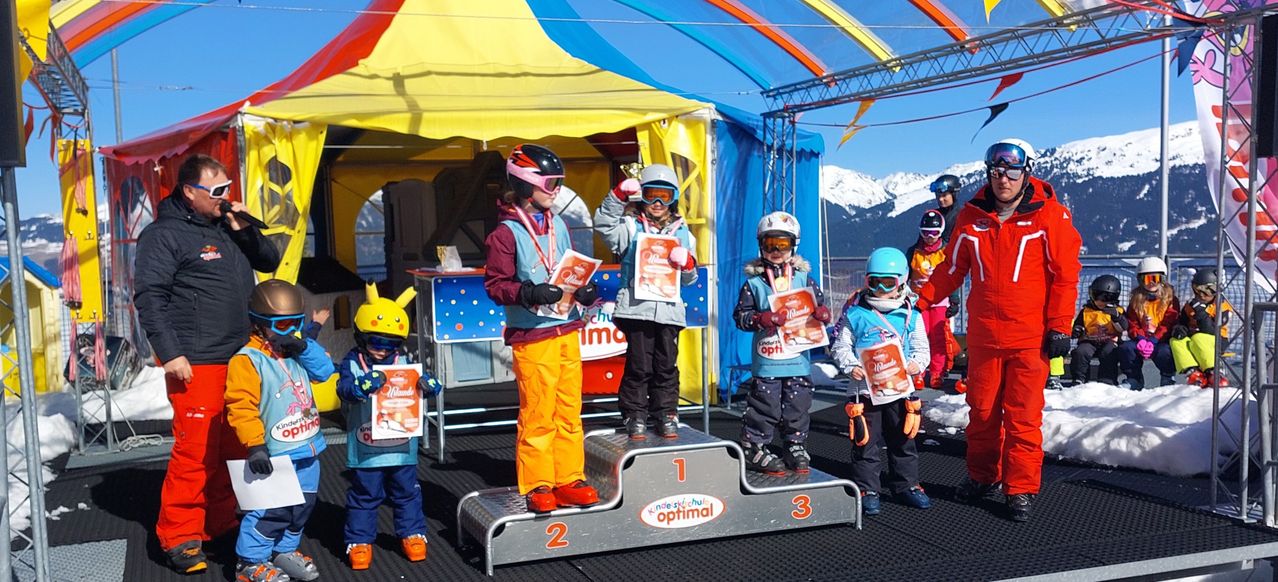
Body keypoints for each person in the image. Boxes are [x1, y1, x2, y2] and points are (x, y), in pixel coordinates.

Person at [916, 138, 1082, 522]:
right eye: (996, 172)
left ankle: (1020, 488)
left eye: (1011, 172)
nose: (1003, 179)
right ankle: (982, 476)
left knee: (1023, 417)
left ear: (1026, 173)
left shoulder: (1050, 217)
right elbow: (952, 269)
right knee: (982, 413)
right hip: (985, 337)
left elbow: (1066, 276)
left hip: (1029, 338)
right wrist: (920, 301)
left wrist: (1059, 326)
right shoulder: (972, 219)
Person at [133, 153, 281, 573]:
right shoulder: (163, 235)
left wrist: (242, 224)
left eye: (227, 188)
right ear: (189, 191)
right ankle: (180, 535)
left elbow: (268, 261)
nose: (224, 197)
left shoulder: (227, 227)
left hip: (241, 358)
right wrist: (170, 352)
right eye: (216, 191)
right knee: (196, 451)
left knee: (236, 446)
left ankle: (221, 522)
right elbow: (149, 296)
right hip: (197, 361)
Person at [483, 144, 601, 513]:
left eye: (559, 183)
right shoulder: (505, 233)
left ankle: (569, 476)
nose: (556, 190)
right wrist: (528, 291)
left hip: (566, 329)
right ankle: (537, 482)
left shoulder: (558, 224)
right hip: (533, 336)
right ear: (523, 184)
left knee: (569, 409)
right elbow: (495, 285)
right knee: (538, 412)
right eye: (551, 183)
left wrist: (581, 290)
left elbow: (566, 266)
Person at [224, 280, 335, 582]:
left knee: (302, 506)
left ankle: (283, 550)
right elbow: (241, 405)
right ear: (260, 324)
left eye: (295, 323)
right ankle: (250, 560)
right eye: (282, 324)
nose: (289, 331)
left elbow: (325, 372)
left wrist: (304, 344)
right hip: (274, 453)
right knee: (271, 510)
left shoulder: (296, 349)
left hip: (307, 447)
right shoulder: (248, 360)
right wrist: (254, 444)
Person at [338, 283, 440, 570]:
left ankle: (412, 532)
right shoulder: (353, 362)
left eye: (391, 344)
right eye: (375, 342)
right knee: (365, 494)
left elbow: (420, 385)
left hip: (400, 447)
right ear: (360, 337)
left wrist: (427, 385)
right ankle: (359, 539)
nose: (383, 351)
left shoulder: (405, 361)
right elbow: (343, 389)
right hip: (366, 445)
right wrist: (359, 386)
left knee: (407, 492)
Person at [593, 164, 698, 440]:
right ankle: (635, 413)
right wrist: (617, 197)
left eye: (665, 196)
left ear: (673, 198)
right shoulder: (630, 227)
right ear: (643, 196)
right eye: (652, 195)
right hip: (637, 309)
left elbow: (690, 279)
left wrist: (687, 263)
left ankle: (666, 412)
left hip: (668, 311)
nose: (658, 203)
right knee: (639, 364)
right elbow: (604, 227)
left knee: (666, 364)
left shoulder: (683, 232)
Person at [831, 248, 931, 516]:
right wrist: (850, 365)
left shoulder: (911, 314)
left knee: (904, 440)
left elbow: (922, 349)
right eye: (874, 282)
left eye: (888, 283)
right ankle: (867, 488)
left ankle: (907, 485)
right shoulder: (855, 314)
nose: (881, 289)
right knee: (865, 442)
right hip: (866, 392)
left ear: (902, 281)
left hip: (899, 389)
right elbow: (841, 346)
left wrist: (915, 365)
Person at [733, 211, 832, 475]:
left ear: (793, 246)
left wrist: (822, 314)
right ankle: (754, 446)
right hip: (768, 360)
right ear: (761, 245)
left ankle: (795, 444)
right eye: (770, 244)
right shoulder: (753, 283)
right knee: (765, 406)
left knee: (797, 407)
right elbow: (739, 317)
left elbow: (819, 306)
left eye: (783, 244)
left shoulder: (803, 279)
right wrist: (760, 318)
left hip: (797, 359)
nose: (776, 250)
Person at [906, 209, 961, 389]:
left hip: (939, 300)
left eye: (934, 233)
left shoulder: (945, 251)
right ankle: (918, 372)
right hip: (917, 300)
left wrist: (954, 300)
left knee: (938, 336)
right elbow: (905, 275)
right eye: (926, 232)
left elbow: (951, 276)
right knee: (918, 336)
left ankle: (937, 372)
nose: (930, 237)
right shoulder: (913, 251)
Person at [1118, 257, 1180, 390]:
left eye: (1155, 278)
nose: (1151, 283)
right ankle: (1134, 378)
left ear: (1162, 279)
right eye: (1147, 279)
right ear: (1140, 280)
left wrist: (1154, 340)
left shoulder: (1170, 299)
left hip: (1161, 340)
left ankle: (1167, 377)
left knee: (1166, 351)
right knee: (1127, 348)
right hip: (1142, 340)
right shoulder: (1136, 300)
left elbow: (1168, 323)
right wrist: (1139, 337)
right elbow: (1132, 322)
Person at [1171, 268, 1233, 388]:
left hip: (1218, 340)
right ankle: (1193, 372)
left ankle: (1215, 371)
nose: (1202, 296)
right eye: (1198, 291)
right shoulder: (1190, 306)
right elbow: (1183, 322)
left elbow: (1211, 330)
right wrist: (1180, 329)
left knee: (1199, 338)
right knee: (1176, 341)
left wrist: (1200, 312)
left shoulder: (1222, 307)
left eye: (1208, 291)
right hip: (1195, 338)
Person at [1069, 275, 1127, 385]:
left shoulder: (1117, 311)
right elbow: (1078, 325)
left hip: (1110, 340)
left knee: (1109, 352)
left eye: (1105, 298)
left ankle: (1107, 379)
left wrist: (1116, 317)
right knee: (1081, 352)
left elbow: (1123, 327)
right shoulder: (1087, 311)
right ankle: (1079, 378)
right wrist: (1077, 330)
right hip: (1089, 340)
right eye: (1096, 296)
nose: (1100, 301)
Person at [929, 174, 962, 242]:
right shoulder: (934, 216)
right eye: (938, 195)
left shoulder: (961, 217)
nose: (940, 199)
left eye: (944, 195)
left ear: (954, 195)